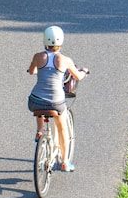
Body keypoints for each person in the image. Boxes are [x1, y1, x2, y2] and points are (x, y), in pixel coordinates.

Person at [28, 25, 88, 172]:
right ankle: (65, 162)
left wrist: (37, 69)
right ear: (61, 42)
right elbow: (78, 76)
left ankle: (40, 130)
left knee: (39, 104)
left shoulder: (38, 56)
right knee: (63, 129)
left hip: (35, 100)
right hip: (56, 102)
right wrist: (84, 71)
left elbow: (31, 71)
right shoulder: (65, 60)